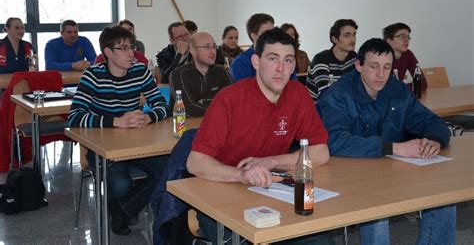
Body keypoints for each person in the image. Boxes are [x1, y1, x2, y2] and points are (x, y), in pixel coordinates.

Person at [187, 28, 331, 244]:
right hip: (222, 192)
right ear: (256, 62)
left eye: (288, 60)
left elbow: (320, 153)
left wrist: (270, 162)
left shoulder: (298, 95)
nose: (281, 68)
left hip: (271, 191)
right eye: (273, 58)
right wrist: (241, 175)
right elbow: (195, 163)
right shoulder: (229, 99)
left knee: (320, 240)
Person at [317, 38, 456, 245]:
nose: (381, 75)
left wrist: (434, 140)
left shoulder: (397, 90)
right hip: (348, 174)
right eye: (373, 67)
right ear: (358, 65)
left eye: (387, 67)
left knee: (445, 196)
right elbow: (334, 141)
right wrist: (393, 148)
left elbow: (432, 121)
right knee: (377, 208)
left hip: (389, 170)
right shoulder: (338, 94)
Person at [68, 26, 170, 236]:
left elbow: (162, 105)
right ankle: (124, 207)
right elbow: (75, 116)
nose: (131, 53)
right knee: (121, 184)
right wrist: (115, 121)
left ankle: (124, 208)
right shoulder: (93, 75)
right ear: (108, 52)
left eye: (131, 46)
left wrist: (148, 116)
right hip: (103, 148)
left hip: (138, 144)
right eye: (123, 48)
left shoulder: (139, 71)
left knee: (170, 169)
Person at [170, 32, 232, 117]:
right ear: (193, 51)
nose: (213, 51)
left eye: (214, 47)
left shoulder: (221, 71)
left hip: (216, 122)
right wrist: (219, 104)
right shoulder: (179, 74)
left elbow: (233, 101)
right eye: (207, 47)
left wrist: (204, 101)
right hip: (183, 127)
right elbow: (189, 109)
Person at [306, 19, 357, 102]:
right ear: (335, 39)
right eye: (347, 35)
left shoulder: (354, 58)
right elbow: (326, 95)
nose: (353, 39)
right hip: (318, 108)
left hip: (345, 106)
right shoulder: (321, 60)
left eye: (354, 35)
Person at [383, 22, 427, 92]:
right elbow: (384, 89)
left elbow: (422, 84)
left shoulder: (408, 54)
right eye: (402, 36)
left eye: (408, 37)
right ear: (389, 41)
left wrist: (401, 87)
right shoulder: (380, 56)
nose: (407, 40)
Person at [230, 13, 274, 81]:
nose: (272, 36)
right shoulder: (240, 63)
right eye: (267, 33)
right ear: (253, 36)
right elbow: (246, 90)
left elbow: (293, 87)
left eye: (273, 32)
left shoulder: (282, 58)